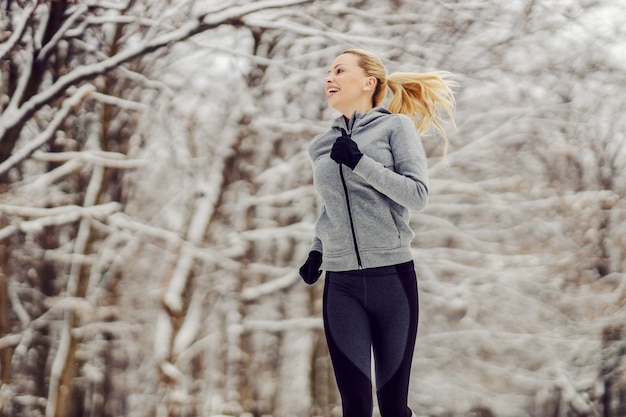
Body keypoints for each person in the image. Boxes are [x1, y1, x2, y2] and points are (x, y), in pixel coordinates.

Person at [298, 48, 456, 417]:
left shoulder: (395, 128)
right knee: (354, 406)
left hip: (392, 281)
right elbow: (331, 205)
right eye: (327, 72)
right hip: (341, 285)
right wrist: (317, 249)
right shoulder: (320, 146)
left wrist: (360, 162)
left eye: (339, 70)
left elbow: (417, 195)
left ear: (369, 82)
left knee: (393, 407)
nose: (329, 78)